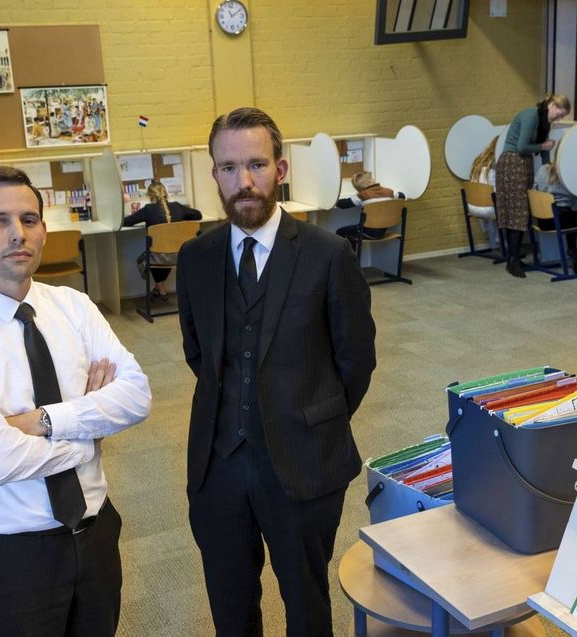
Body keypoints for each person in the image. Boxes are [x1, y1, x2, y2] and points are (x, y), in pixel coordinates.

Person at [0, 166, 152, 637]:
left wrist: (40, 421)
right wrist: (87, 433)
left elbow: (136, 395)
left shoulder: (75, 306)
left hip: (94, 532)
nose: (17, 234)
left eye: (29, 219)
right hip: (12, 554)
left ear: (44, 229)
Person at [176, 107, 376, 637]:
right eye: (228, 167)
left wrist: (312, 417)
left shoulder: (327, 255)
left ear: (280, 170)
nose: (244, 181)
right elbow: (198, 352)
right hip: (218, 467)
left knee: (306, 604)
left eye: (257, 165)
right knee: (230, 605)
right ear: (214, 174)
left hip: (303, 465)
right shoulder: (196, 257)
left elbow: (356, 359)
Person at [496, 93, 572, 277]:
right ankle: (513, 261)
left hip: (521, 164)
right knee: (518, 213)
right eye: (559, 114)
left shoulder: (542, 120)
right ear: (552, 105)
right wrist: (543, 147)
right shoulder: (531, 116)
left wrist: (550, 169)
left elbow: (540, 148)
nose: (559, 118)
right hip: (514, 163)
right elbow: (522, 147)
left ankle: (512, 257)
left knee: (517, 213)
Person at [123, 180, 203, 300]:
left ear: (150, 196)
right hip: (179, 254)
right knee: (166, 250)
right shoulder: (177, 206)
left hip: (158, 256)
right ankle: (158, 287)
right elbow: (198, 215)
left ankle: (161, 289)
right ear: (165, 193)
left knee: (150, 255)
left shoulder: (148, 209)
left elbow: (127, 221)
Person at [533, 159, 577, 273]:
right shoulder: (567, 174)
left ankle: (573, 251)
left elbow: (534, 188)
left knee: (573, 217)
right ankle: (576, 256)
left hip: (542, 220)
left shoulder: (542, 169)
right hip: (557, 219)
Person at [334, 170, 406, 248]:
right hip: (383, 231)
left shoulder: (362, 196)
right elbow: (402, 195)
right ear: (371, 181)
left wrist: (333, 200)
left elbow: (343, 205)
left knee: (340, 232)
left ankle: (351, 258)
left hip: (367, 233)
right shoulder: (389, 192)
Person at [466, 135, 501, 251]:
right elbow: (496, 193)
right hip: (489, 208)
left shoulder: (478, 162)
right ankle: (503, 242)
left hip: (473, 206)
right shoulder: (495, 165)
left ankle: (496, 241)